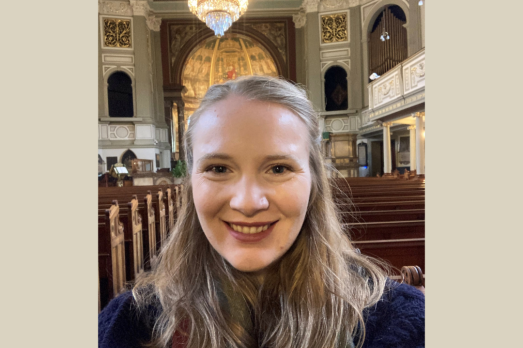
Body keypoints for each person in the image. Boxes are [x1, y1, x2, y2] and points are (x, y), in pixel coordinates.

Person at [98, 76, 424, 348]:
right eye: (219, 168)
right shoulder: (127, 326)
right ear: (190, 182)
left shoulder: (405, 323)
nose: (248, 202)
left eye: (279, 168)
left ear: (314, 182)